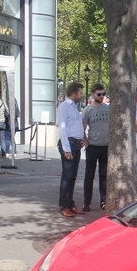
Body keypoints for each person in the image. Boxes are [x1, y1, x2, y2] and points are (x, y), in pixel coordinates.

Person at [56, 82, 86, 217]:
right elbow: (62, 128)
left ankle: (70, 203)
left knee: (73, 176)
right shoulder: (64, 107)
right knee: (67, 175)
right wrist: (66, 148)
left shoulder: (74, 107)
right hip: (68, 143)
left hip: (76, 143)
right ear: (74, 93)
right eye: (80, 92)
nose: (81, 95)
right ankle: (64, 205)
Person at [81, 83, 110, 212]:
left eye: (103, 94)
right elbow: (82, 128)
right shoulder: (88, 110)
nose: (101, 96)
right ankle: (87, 201)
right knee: (89, 175)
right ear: (93, 95)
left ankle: (104, 200)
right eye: (99, 94)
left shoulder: (109, 108)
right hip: (93, 146)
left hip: (106, 146)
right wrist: (86, 143)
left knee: (104, 175)